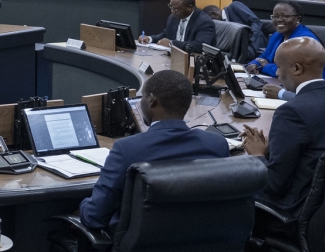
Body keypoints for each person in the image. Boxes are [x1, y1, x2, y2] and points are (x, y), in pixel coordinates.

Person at [76, 70, 229, 234]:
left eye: (142, 97)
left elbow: (95, 216)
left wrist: (80, 209)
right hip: (203, 248)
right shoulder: (217, 144)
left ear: (151, 101)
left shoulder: (127, 149)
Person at [240, 37, 325, 216]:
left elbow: (273, 185)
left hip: (294, 210)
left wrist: (257, 155)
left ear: (296, 68)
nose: (278, 74)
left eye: (279, 67)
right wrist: (270, 152)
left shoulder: (291, 112)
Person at [245, 1, 325, 79]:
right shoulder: (278, 35)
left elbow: (288, 71)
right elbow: (265, 56)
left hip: (307, 87)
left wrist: (264, 66)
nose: (279, 20)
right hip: (282, 81)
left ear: (298, 19)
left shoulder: (303, 41)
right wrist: (254, 64)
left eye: (285, 16)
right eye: (275, 16)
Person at [138, 0, 215, 53]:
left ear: (189, 7)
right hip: (174, 57)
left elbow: (200, 46)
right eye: (171, 7)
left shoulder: (204, 21)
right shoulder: (174, 17)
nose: (172, 11)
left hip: (193, 60)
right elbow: (166, 34)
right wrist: (150, 38)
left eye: (176, 9)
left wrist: (171, 43)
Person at [203, 2, 270, 60]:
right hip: (237, 49)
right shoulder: (221, 27)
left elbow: (256, 22)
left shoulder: (234, 7)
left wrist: (248, 39)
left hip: (254, 44)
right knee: (214, 55)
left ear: (214, 14)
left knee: (230, 56)